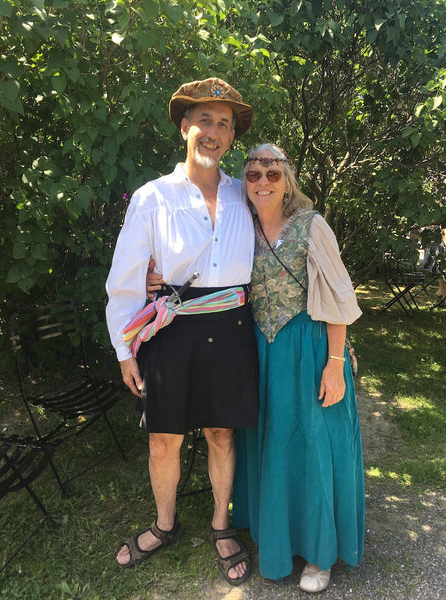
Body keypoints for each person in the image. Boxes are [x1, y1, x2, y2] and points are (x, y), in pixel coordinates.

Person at [105, 78, 259, 585]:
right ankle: (165, 524)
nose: (212, 132)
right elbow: (127, 277)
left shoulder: (249, 195)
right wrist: (125, 351)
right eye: (204, 121)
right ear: (183, 127)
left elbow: (285, 245)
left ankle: (220, 524)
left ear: (232, 137)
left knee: (221, 431)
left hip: (231, 327)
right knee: (163, 440)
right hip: (171, 331)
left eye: (224, 124)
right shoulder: (152, 197)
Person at [230, 143, 365, 592]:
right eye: (253, 174)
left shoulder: (312, 225)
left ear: (287, 178)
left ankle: (319, 554)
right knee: (271, 441)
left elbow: (340, 301)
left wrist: (333, 364)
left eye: (273, 172)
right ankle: (275, 538)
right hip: (260, 353)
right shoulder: (238, 228)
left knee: (312, 446)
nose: (263, 181)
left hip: (309, 350)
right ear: (244, 182)